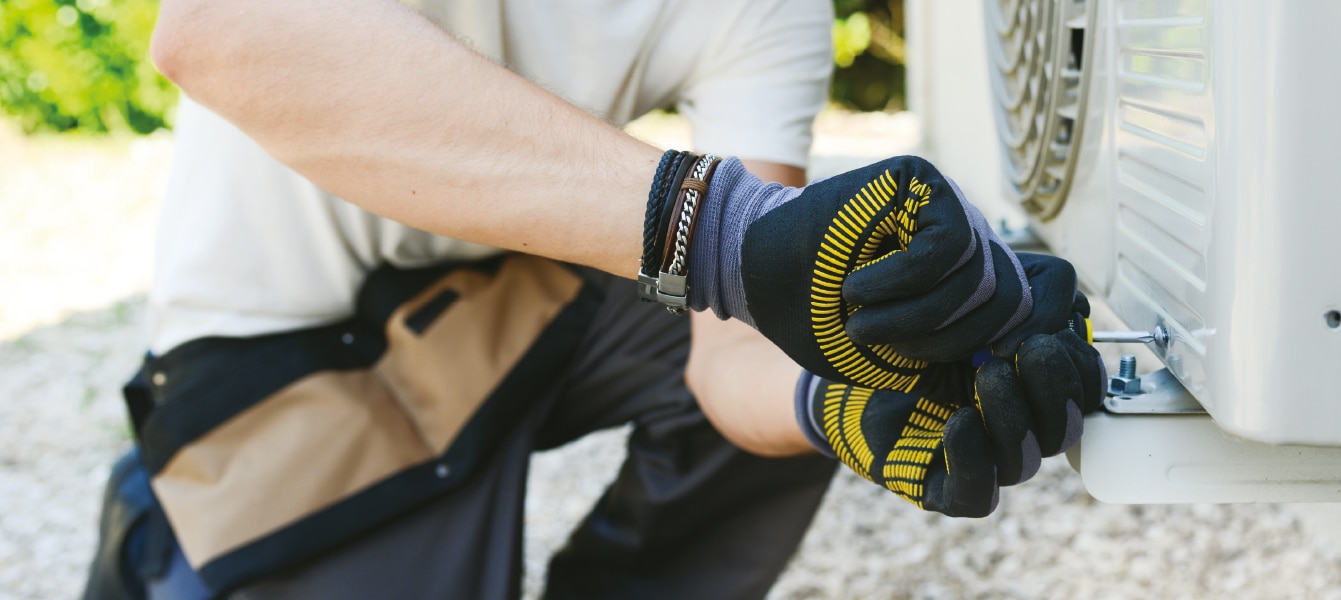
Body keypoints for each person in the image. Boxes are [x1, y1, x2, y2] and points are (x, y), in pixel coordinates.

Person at [83, 1, 1105, 599]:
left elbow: (734, 342)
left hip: (501, 307)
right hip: (281, 363)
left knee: (839, 326)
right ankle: (166, 514)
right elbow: (217, 31)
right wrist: (724, 233)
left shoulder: (765, 13)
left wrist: (837, 406)